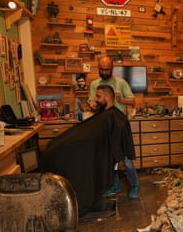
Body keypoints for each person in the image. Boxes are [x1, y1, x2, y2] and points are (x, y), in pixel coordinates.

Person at [39, 85, 135, 219]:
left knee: (57, 153)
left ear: (107, 97)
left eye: (98, 96)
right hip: (88, 145)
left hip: (88, 147)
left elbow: (106, 139)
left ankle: (80, 199)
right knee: (55, 147)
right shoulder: (106, 114)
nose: (96, 99)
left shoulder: (113, 116)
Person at [89, 55, 139, 198]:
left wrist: (121, 99)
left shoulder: (121, 83)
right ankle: (115, 185)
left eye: (107, 69)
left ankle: (135, 185)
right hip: (105, 125)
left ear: (112, 68)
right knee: (111, 159)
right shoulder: (95, 84)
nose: (104, 72)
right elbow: (94, 103)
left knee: (127, 160)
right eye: (102, 69)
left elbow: (132, 100)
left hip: (120, 125)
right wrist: (92, 104)